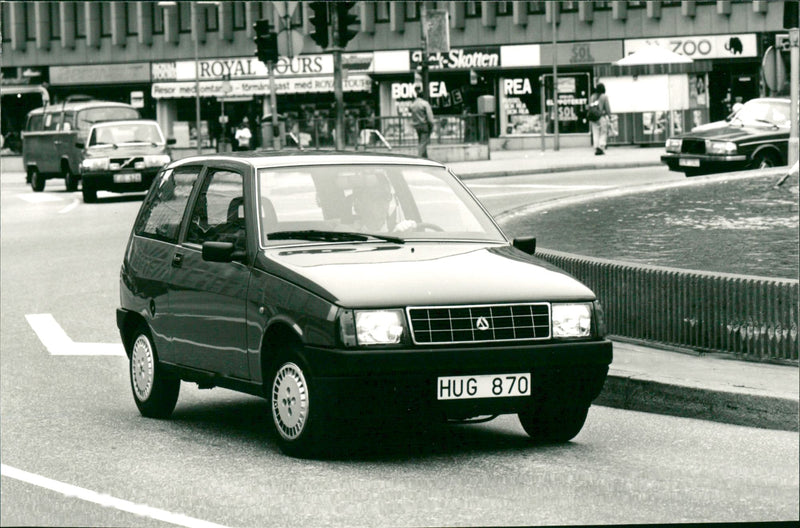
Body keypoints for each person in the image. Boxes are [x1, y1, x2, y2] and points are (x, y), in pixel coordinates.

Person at [348, 173, 416, 233]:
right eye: (376, 197)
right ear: (358, 203)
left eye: (386, 197)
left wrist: (402, 233)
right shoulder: (345, 234)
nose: (383, 203)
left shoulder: (400, 230)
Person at [409, 85, 435, 158]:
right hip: (424, 125)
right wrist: (432, 125)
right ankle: (419, 157)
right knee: (423, 143)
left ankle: (425, 157)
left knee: (421, 141)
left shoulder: (413, 104)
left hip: (417, 125)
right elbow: (430, 117)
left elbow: (409, 109)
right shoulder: (425, 104)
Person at [589, 83, 612, 155]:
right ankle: (601, 147)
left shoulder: (592, 96)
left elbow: (590, 107)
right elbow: (607, 108)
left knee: (595, 132)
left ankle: (596, 147)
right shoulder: (604, 97)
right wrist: (609, 115)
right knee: (603, 132)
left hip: (593, 117)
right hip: (601, 117)